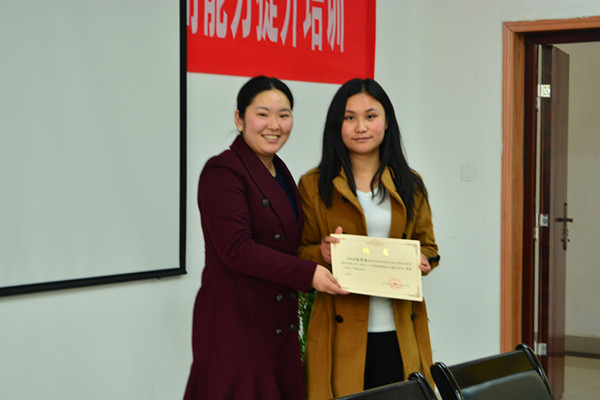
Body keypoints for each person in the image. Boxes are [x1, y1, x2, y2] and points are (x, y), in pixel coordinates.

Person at [183, 76, 347, 400]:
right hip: (236, 330)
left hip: (276, 330)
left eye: (283, 115)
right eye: (262, 114)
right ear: (239, 118)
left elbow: (283, 246)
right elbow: (237, 249)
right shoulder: (222, 171)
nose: (274, 125)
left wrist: (320, 253)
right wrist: (309, 273)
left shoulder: (280, 171)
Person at [298, 78, 441, 399]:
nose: (360, 127)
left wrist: (423, 260)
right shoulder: (314, 185)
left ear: (386, 121)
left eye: (370, 116)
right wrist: (321, 252)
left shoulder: (410, 183)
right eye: (349, 117)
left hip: (400, 328)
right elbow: (298, 252)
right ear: (336, 125)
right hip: (339, 332)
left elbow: (429, 246)